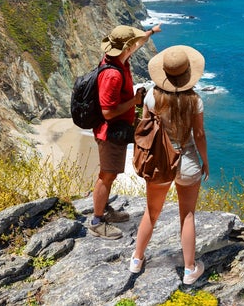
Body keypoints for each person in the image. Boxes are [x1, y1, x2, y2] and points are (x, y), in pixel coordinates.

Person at [129, 45, 209, 285]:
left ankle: (136, 259)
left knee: (151, 213)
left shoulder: (152, 97)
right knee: (187, 215)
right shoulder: (194, 100)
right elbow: (200, 135)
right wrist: (205, 162)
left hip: (159, 162)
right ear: (187, 74)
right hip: (187, 160)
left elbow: (145, 127)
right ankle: (189, 269)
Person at [88, 23, 161, 239]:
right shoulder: (113, 75)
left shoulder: (118, 60)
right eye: (132, 43)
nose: (135, 46)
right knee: (107, 176)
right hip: (109, 132)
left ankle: (102, 210)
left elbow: (138, 43)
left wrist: (151, 32)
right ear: (126, 47)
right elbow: (108, 111)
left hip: (115, 130)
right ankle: (97, 220)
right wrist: (135, 101)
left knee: (110, 174)